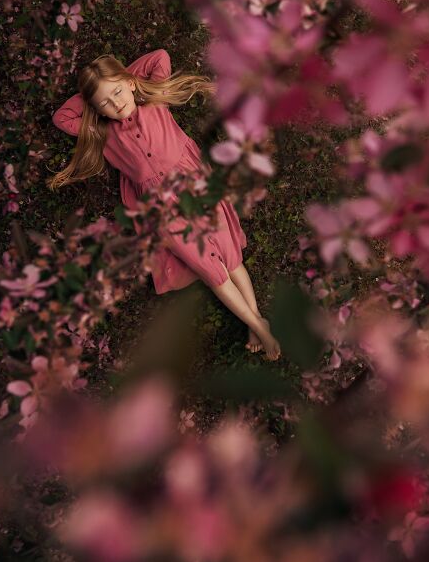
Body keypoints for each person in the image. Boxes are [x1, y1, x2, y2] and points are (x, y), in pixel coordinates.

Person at [48, 48, 281, 361]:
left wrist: (124, 79)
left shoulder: (154, 102)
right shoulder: (102, 133)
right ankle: (258, 325)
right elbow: (61, 117)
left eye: (118, 91)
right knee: (211, 269)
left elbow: (160, 57)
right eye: (106, 102)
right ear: (98, 110)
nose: (116, 103)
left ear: (129, 83)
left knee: (229, 254)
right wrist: (93, 96)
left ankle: (255, 321)